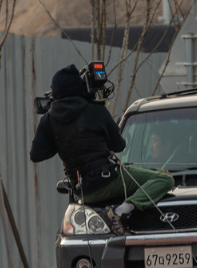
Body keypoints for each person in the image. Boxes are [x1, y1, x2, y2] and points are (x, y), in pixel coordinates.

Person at [30, 64, 174, 235]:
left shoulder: (49, 119)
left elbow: (36, 154)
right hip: (108, 181)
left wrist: (61, 141)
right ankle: (120, 212)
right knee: (165, 180)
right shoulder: (95, 110)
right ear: (80, 88)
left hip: (81, 191)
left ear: (55, 93)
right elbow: (119, 145)